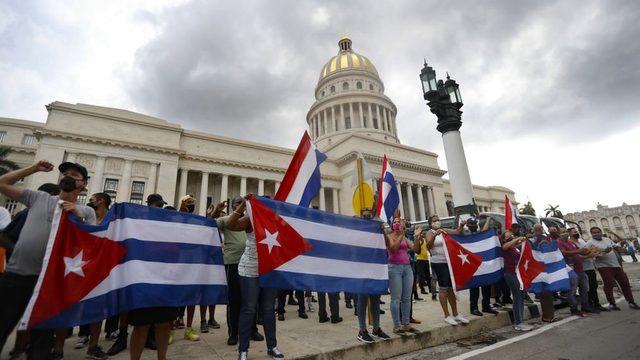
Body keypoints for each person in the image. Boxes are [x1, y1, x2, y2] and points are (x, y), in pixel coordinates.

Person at [0, 161, 96, 359]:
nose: (68, 176)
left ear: (83, 184)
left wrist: (77, 217)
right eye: (65, 173)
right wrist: (33, 168)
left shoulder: (87, 212)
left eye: (75, 174)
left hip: (50, 285)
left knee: (41, 342)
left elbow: (93, 245)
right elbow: (1, 183)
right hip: (16, 277)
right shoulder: (38, 197)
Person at [0, 183, 60, 360]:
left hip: (44, 281)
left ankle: (23, 350)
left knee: (39, 329)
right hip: (19, 276)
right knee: (7, 319)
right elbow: (5, 236)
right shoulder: (27, 213)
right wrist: (20, 252)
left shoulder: (62, 215)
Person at [225, 195, 283, 360]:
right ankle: (243, 350)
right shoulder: (251, 218)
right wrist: (243, 205)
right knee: (249, 309)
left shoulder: (276, 220)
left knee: (268, 310)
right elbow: (230, 224)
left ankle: (272, 347)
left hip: (269, 270)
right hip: (249, 269)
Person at [128, 194, 179, 360]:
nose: (160, 208)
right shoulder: (138, 224)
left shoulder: (168, 227)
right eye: (157, 205)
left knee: (164, 325)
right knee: (141, 326)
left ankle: (162, 357)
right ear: (148, 205)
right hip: (143, 281)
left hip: (165, 281)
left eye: (161, 205)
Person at [209, 197, 264, 346]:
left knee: (251, 300)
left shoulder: (251, 220)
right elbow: (209, 223)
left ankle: (252, 330)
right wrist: (216, 211)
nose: (241, 207)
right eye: (238, 205)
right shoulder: (227, 219)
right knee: (234, 300)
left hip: (251, 264)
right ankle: (233, 333)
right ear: (233, 207)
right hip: (233, 263)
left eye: (243, 204)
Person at [419, 215, 469, 326]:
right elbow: (428, 246)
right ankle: (447, 315)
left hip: (448, 262)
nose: (437, 222)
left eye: (438, 220)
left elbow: (457, 232)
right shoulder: (429, 233)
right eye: (434, 221)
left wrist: (461, 226)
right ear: (430, 223)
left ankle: (456, 314)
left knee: (451, 288)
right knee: (443, 288)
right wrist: (435, 235)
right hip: (438, 262)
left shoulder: (444, 230)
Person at [354, 208, 390, 344]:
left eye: (369, 216)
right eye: (364, 216)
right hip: (362, 271)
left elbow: (387, 244)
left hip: (375, 270)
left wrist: (382, 230)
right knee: (362, 301)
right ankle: (362, 330)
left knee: (375, 301)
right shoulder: (358, 233)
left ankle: (376, 328)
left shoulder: (377, 231)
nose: (367, 219)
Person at [587, 227, 640, 311]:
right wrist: (604, 251)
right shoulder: (590, 242)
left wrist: (622, 250)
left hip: (615, 265)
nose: (596, 234)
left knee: (625, 283)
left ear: (601, 232)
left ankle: (631, 302)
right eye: (594, 233)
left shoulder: (607, 239)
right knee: (609, 283)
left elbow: (616, 247)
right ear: (591, 234)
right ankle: (612, 303)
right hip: (603, 266)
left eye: (598, 232)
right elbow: (592, 255)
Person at [174, 195, 201, 341]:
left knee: (191, 298)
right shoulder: (176, 219)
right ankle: (171, 328)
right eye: (188, 203)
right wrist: (181, 211)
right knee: (175, 297)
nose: (191, 205)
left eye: (192, 203)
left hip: (192, 263)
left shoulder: (196, 221)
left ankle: (189, 327)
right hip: (178, 263)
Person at [384, 219, 418, 334]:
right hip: (394, 268)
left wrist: (417, 238)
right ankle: (397, 325)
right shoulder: (389, 236)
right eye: (395, 221)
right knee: (395, 299)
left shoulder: (404, 237)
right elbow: (393, 249)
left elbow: (415, 249)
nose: (397, 223)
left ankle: (406, 324)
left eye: (399, 221)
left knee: (407, 298)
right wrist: (401, 234)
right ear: (392, 224)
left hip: (407, 268)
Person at [464, 217, 498, 317]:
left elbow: (485, 231)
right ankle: (473, 308)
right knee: (474, 287)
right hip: (471, 265)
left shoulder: (480, 234)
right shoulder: (465, 235)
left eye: (474, 223)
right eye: (470, 224)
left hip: (483, 264)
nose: (472, 226)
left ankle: (486, 306)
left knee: (486, 285)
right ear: (467, 225)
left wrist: (487, 220)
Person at [501, 231, 533, 331]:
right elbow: (505, 246)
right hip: (510, 274)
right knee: (517, 297)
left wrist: (523, 241)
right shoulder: (505, 247)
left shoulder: (514, 248)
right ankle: (518, 322)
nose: (511, 236)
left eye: (511, 234)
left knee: (521, 296)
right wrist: (515, 239)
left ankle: (520, 321)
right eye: (508, 235)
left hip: (518, 275)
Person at [569, 228, 605, 313]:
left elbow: (588, 251)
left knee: (594, 286)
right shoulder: (571, 243)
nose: (576, 233)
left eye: (576, 231)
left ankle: (596, 304)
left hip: (590, 266)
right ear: (569, 234)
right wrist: (588, 255)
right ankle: (589, 305)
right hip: (583, 268)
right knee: (587, 288)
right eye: (574, 232)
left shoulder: (581, 241)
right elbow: (578, 255)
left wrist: (595, 253)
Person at [558, 229, 592, 316]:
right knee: (572, 291)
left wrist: (589, 252)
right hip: (570, 271)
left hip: (580, 269)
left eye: (565, 231)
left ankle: (585, 307)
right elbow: (563, 253)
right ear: (559, 234)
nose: (565, 233)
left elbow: (580, 253)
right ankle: (574, 309)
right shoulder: (558, 242)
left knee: (584, 289)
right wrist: (578, 251)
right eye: (562, 232)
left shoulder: (571, 242)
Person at [532, 224, 557, 322]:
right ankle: (547, 316)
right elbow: (533, 251)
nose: (539, 230)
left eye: (540, 229)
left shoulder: (546, 238)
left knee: (548, 293)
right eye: (537, 229)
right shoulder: (532, 239)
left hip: (547, 267)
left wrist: (547, 243)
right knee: (544, 294)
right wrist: (539, 244)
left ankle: (550, 315)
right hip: (538, 269)